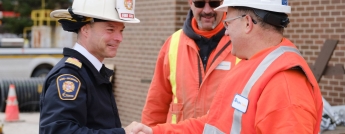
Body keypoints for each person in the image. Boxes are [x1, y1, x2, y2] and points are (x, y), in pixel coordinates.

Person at [132, 0, 323, 133]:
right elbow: (213, 125)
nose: (226, 29)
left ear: (247, 23)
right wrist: (155, 132)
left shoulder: (286, 88)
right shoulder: (251, 66)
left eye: (228, 21)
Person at [39, 0, 139, 133]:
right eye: (110, 29)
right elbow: (60, 131)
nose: (119, 38)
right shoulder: (70, 75)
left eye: (121, 30)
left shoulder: (90, 72)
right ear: (85, 29)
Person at [141, 0, 239, 127]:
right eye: (200, 3)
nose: (207, 10)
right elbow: (155, 105)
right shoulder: (173, 43)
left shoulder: (240, 42)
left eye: (214, 3)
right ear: (190, 3)